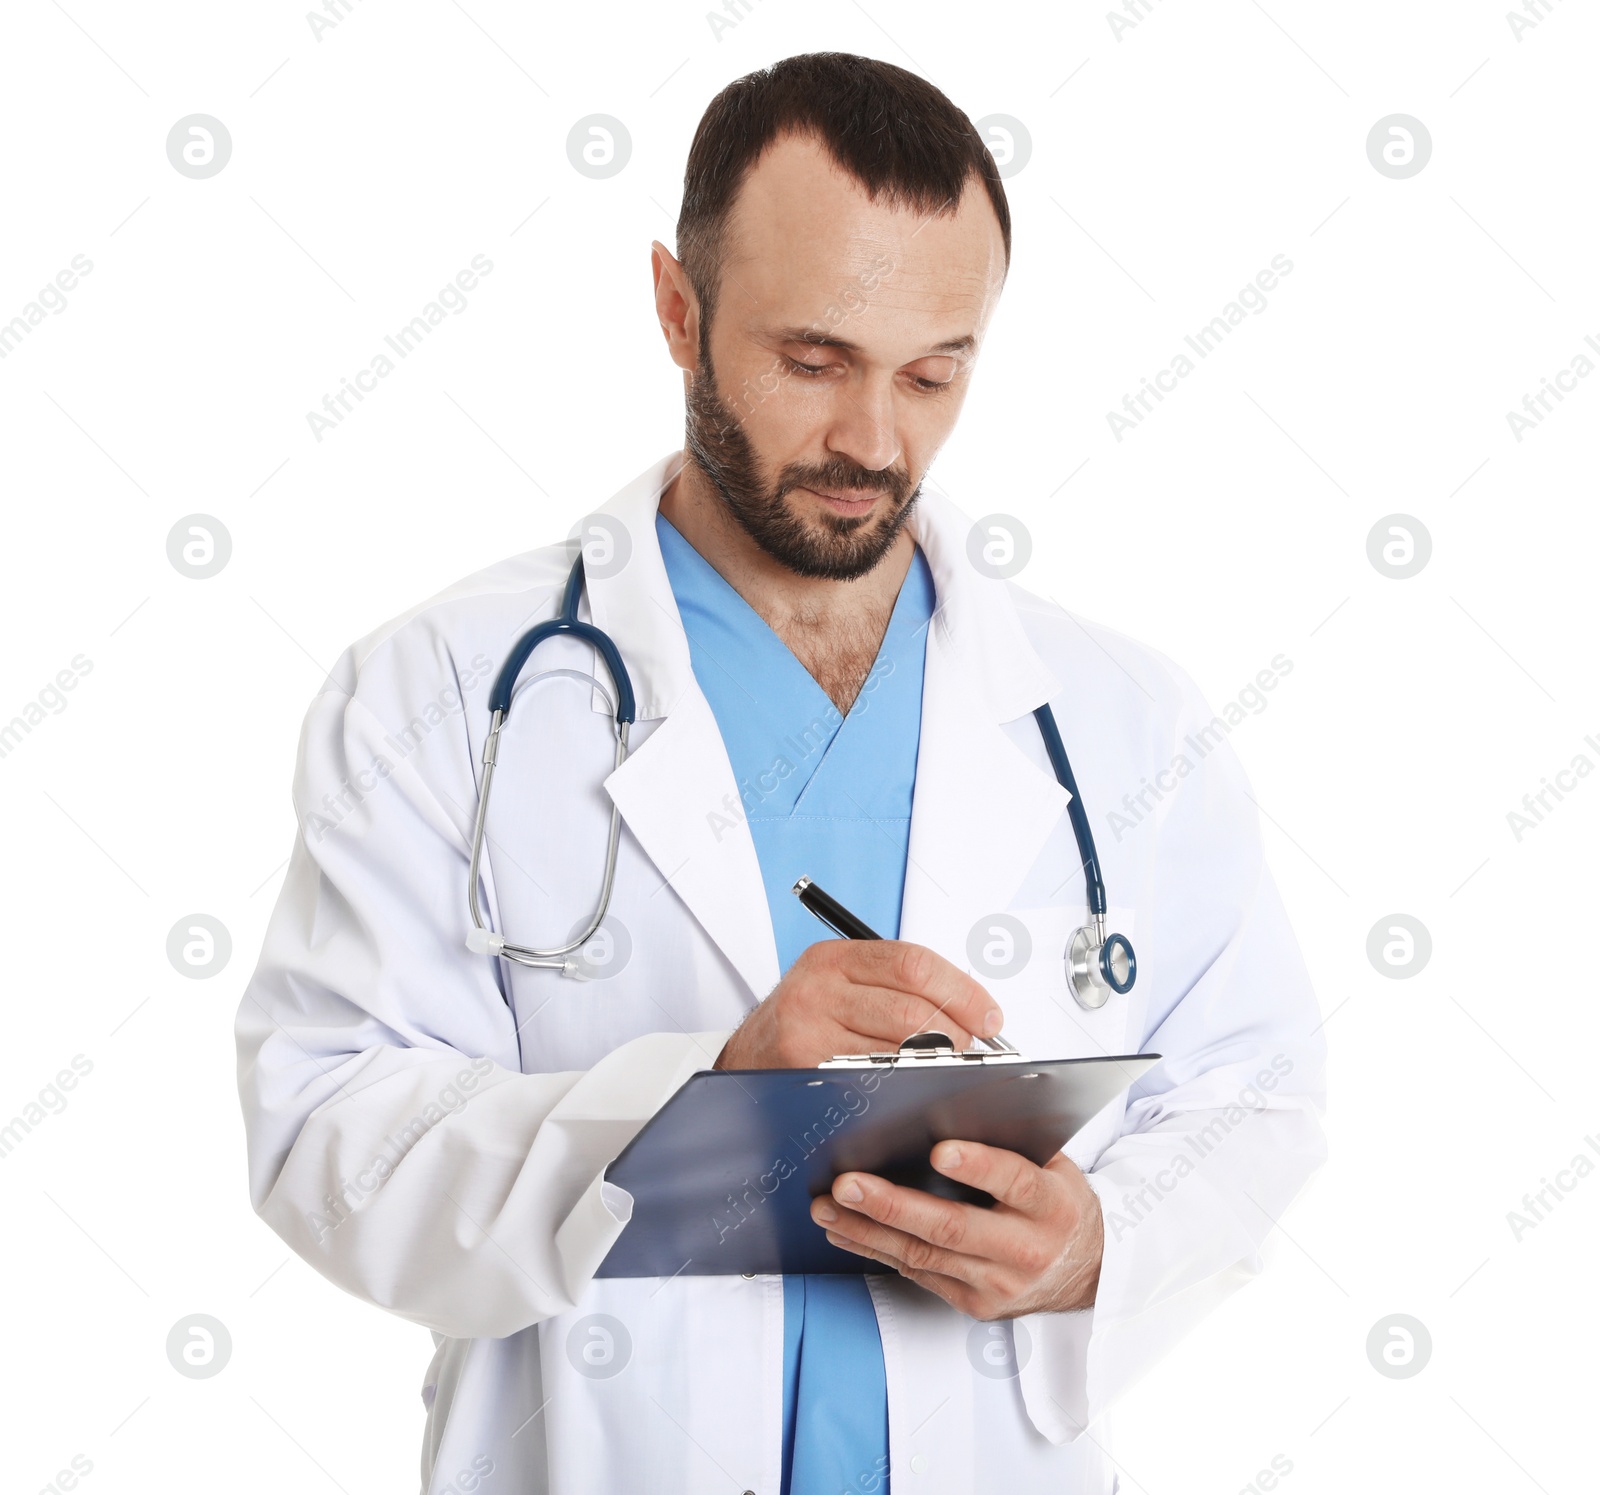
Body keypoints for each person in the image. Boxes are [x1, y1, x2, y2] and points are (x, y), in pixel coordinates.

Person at [236, 51, 1327, 1495]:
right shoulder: (438, 693)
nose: (875, 441)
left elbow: (1256, 1091)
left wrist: (1095, 1247)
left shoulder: (1120, 715)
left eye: (935, 372)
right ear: (677, 311)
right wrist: (699, 1098)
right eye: (813, 360)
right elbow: (326, 1132)